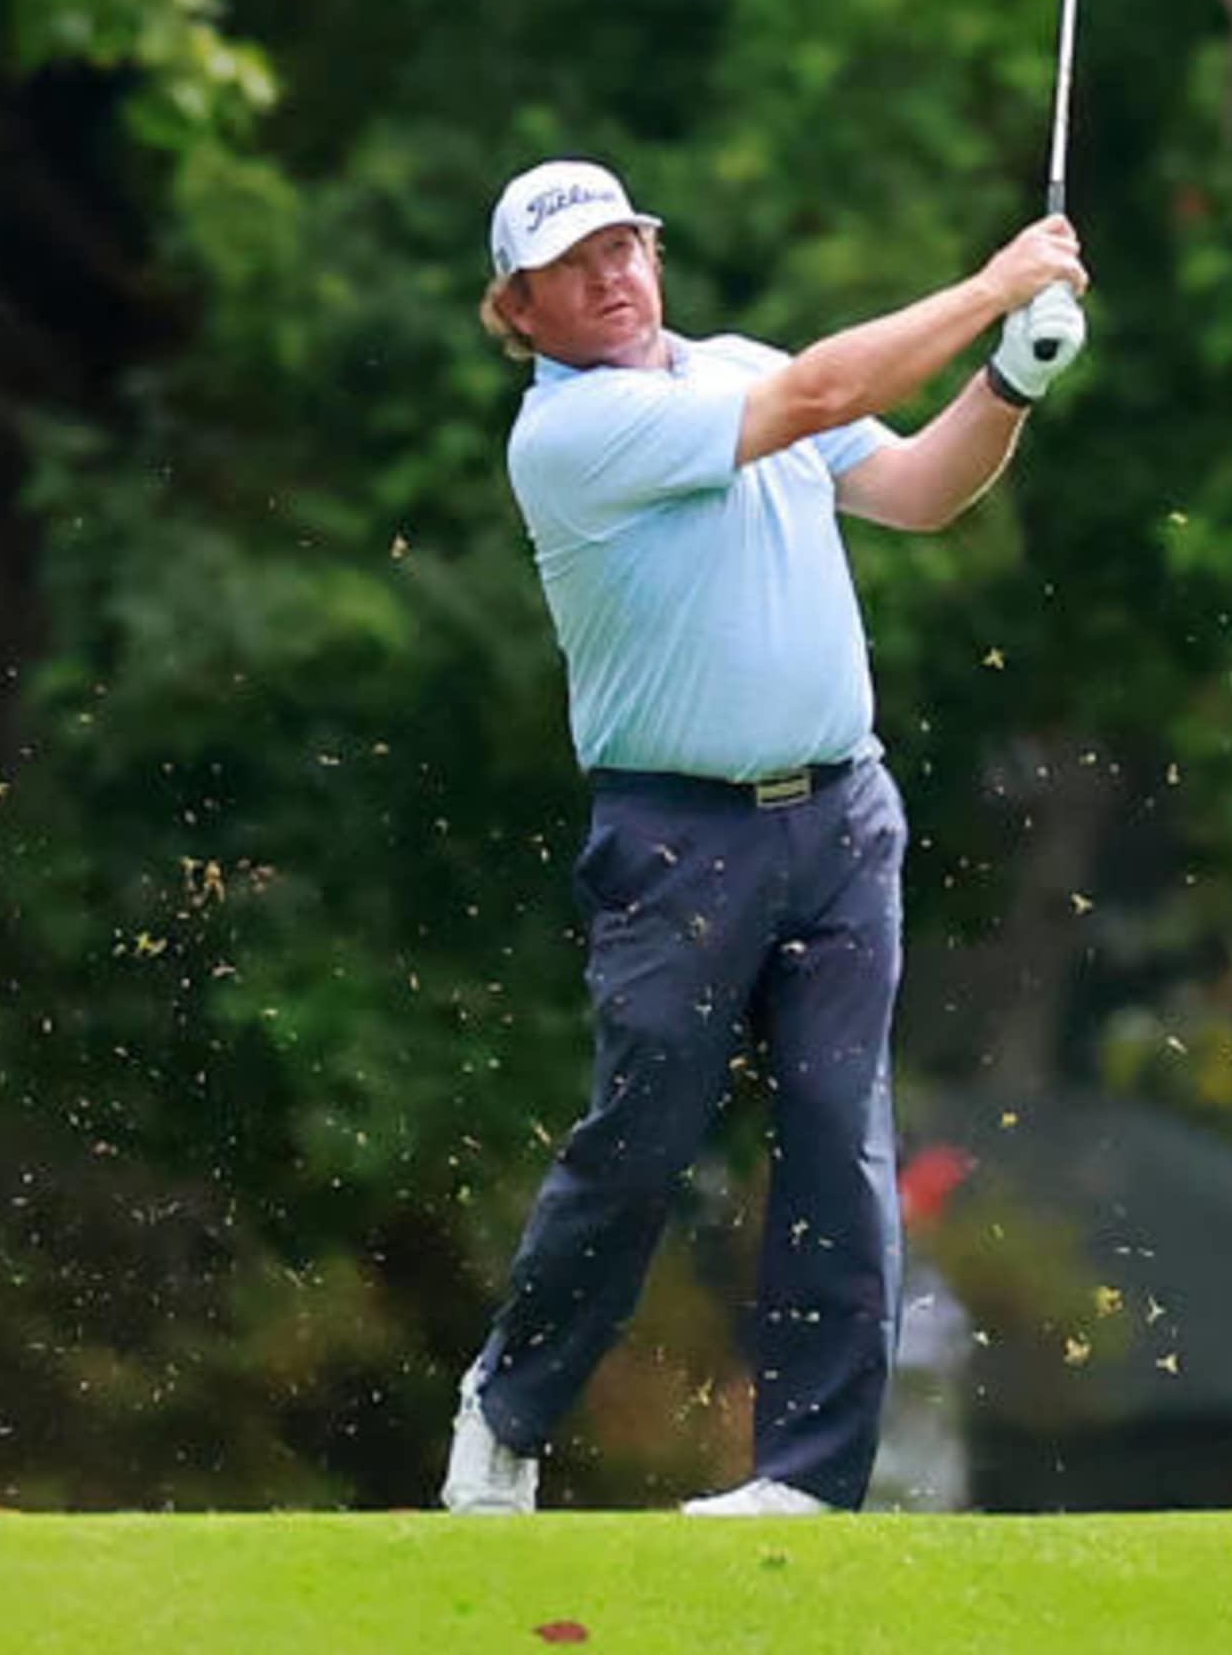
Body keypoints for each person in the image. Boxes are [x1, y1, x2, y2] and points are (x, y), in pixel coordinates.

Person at [438, 156, 1086, 1520]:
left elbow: (914, 489)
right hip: (678, 835)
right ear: (522, 309)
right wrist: (992, 285)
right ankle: (509, 1411)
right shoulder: (569, 434)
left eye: (624, 247)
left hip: (843, 819)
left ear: (653, 254)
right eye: (571, 267)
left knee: (840, 1138)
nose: (609, 277)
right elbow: (820, 397)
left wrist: (1010, 381)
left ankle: (806, 1479)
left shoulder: (734, 362)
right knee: (644, 1134)